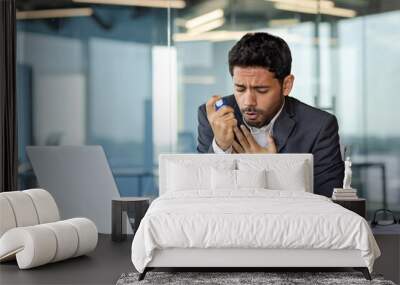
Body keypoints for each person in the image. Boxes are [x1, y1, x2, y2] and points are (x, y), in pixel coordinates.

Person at [196, 32, 344, 197]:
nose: (248, 101)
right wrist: (221, 147)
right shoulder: (214, 117)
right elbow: (202, 194)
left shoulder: (319, 126)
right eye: (240, 88)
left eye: (261, 90)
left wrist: (270, 169)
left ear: (286, 85)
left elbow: (329, 202)